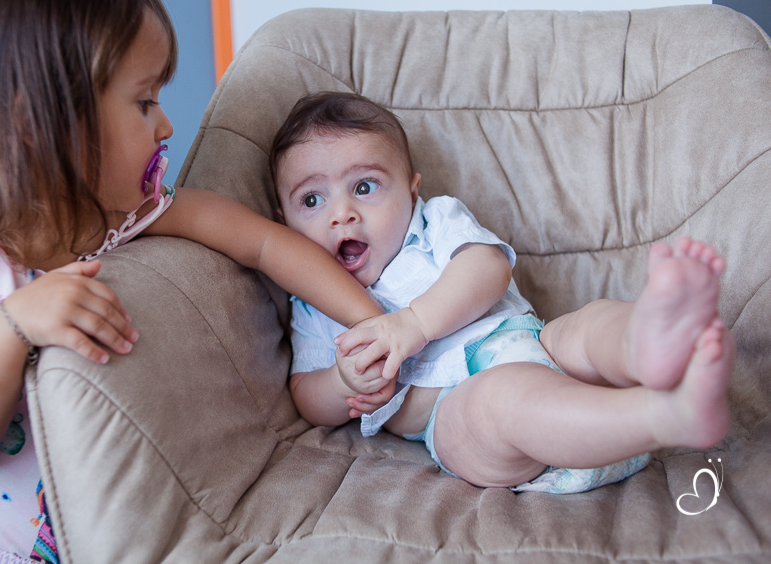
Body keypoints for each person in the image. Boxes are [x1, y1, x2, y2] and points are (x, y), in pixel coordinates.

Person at [0, 0, 384, 563]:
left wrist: (373, 323)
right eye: (145, 101)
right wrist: (13, 327)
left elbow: (263, 245)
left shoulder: (122, 213)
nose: (166, 125)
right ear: (34, 121)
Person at [271, 91, 736, 493]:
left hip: (532, 341)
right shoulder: (313, 300)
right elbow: (306, 395)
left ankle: (649, 341)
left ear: (412, 193)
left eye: (365, 186)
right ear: (284, 221)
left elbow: (487, 267)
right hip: (453, 412)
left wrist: (415, 322)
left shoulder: (434, 222)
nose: (342, 214)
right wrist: (342, 382)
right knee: (501, 402)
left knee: (586, 324)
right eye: (312, 200)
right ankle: (660, 415)